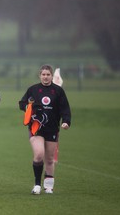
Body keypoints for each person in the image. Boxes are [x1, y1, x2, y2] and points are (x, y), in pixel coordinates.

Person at [18, 64, 71, 195]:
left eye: (48, 75)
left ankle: (48, 186)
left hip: (52, 128)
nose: (46, 77)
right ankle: (37, 185)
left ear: (52, 76)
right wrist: (29, 109)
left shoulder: (58, 91)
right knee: (39, 155)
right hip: (36, 128)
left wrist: (66, 122)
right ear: (39, 75)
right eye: (43, 75)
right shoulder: (33, 90)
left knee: (49, 158)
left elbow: (65, 109)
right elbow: (22, 103)